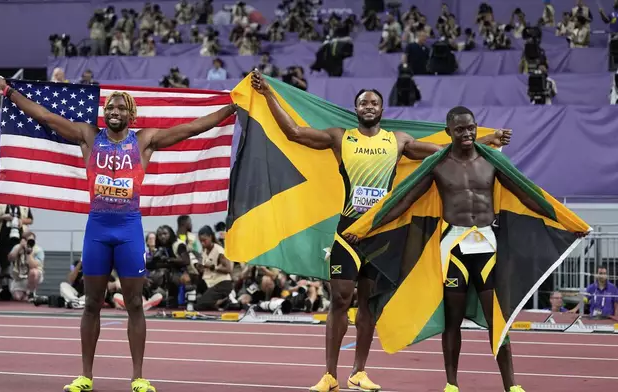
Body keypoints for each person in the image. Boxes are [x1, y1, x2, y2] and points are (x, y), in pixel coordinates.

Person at [250, 71, 511, 392]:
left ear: (382, 109)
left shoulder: (398, 140)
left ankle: (358, 371)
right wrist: (268, 96)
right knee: (340, 301)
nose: (369, 106)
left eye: (374, 102)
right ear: (356, 108)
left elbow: (445, 150)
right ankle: (330, 375)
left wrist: (486, 141)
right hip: (348, 232)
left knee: (369, 305)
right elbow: (294, 132)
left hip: (380, 235)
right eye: (363, 102)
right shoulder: (339, 137)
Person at [0, 76, 237, 392]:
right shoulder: (88, 136)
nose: (115, 110)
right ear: (104, 112)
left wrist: (231, 107)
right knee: (91, 303)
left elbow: (191, 129)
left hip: (128, 230)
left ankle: (138, 377)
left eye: (122, 107)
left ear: (131, 115)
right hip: (97, 228)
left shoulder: (144, 140)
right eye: (111, 106)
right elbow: (45, 117)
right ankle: (85, 377)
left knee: (134, 302)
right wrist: (9, 92)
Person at [344, 106, 587, 392]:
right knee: (453, 319)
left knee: (498, 319)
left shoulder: (492, 160)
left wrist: (566, 221)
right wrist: (366, 227)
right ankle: (451, 383)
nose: (467, 134)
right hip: (453, 247)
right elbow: (403, 200)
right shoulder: (437, 164)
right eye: (460, 129)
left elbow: (527, 193)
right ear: (449, 132)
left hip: (487, 244)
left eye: (471, 128)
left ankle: (511, 385)